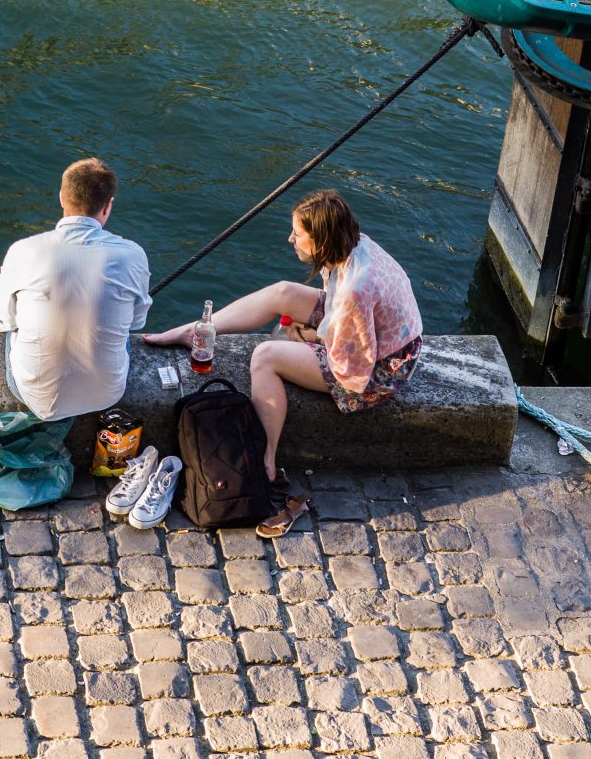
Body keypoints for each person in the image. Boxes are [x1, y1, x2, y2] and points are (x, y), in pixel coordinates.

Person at [143, 189, 421, 534]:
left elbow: (352, 371)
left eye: (298, 234)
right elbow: (346, 319)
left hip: (380, 369)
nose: (290, 239)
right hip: (362, 331)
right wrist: (313, 330)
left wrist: (303, 337)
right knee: (283, 292)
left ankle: (266, 461)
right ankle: (199, 330)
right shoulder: (353, 244)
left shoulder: (356, 288)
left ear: (321, 240)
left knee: (265, 356)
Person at [0, 158, 153, 422]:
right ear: (108, 204)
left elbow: (3, 320)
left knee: (15, 325)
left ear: (61, 198)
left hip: (33, 397)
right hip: (108, 394)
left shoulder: (23, 250)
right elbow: (137, 321)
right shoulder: (133, 255)